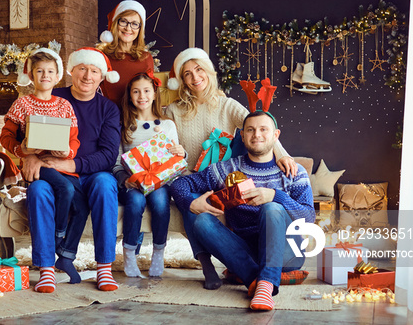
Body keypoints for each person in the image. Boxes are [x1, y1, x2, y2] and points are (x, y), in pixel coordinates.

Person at [168, 111, 315, 310]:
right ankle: (260, 282)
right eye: (251, 130)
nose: (257, 135)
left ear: (275, 135)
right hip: (246, 251)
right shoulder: (226, 169)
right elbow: (181, 184)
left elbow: (308, 218)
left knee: (272, 208)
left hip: (287, 253)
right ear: (243, 136)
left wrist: (275, 196)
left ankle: (264, 281)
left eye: (264, 129)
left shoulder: (293, 172)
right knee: (201, 221)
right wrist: (189, 203)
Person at [23, 47, 121, 293]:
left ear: (101, 77)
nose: (88, 76)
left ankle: (104, 269)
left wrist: (72, 164)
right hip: (53, 171)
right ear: (71, 72)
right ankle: (47, 269)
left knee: (106, 185)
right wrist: (30, 156)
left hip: (90, 174)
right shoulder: (51, 96)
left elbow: (109, 156)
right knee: (38, 190)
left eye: (94, 71)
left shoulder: (108, 109)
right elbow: (21, 132)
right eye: (82, 69)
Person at [164, 47, 297, 174]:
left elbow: (261, 126)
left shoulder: (228, 105)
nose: (195, 77)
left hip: (222, 178)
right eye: (187, 74)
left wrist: (282, 155)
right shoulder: (173, 110)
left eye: (199, 69)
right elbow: (166, 151)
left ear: (208, 71)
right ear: (183, 81)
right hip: (187, 179)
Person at [0, 48, 80, 250]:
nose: (45, 76)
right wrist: (23, 149)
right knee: (66, 188)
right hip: (37, 168)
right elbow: (5, 137)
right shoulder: (22, 104)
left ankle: (62, 243)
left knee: (76, 197)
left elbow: (74, 139)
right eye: (40, 71)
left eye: (50, 71)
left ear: (57, 76)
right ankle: (58, 236)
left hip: (59, 164)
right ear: (31, 75)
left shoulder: (64, 105)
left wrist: (67, 153)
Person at [112, 71, 186, 278]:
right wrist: (125, 180)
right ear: (130, 96)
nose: (141, 96)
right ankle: (128, 253)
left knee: (161, 203)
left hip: (159, 183)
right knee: (134, 203)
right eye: (136, 92)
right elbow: (117, 161)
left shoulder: (167, 125)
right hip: (134, 183)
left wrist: (182, 152)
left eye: (146, 91)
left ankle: (158, 253)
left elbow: (175, 157)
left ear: (154, 94)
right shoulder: (125, 126)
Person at [97, 0, 155, 105]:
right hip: (109, 117)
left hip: (137, 118)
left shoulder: (146, 58)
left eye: (134, 24)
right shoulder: (101, 56)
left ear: (140, 29)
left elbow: (149, 95)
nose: (128, 28)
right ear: (115, 23)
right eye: (123, 21)